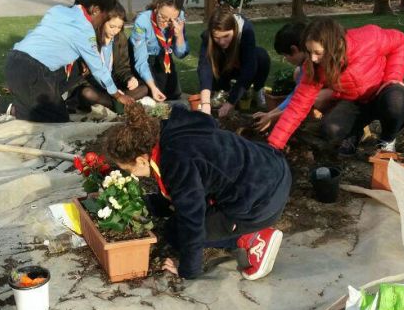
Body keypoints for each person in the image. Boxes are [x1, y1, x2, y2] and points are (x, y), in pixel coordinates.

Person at [104, 105, 290, 280]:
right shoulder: (172, 130)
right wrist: (147, 203)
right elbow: (184, 191)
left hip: (262, 201)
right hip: (272, 165)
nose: (130, 175)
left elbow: (191, 221)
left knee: (176, 233)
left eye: (129, 170)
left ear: (141, 161)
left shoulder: (177, 163)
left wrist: (187, 270)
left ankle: (249, 238)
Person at [0, 0, 135, 124]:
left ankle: (40, 99)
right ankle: (6, 106)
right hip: (32, 70)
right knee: (58, 118)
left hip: (14, 61)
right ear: (95, 10)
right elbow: (98, 69)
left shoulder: (58, 10)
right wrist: (118, 95)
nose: (103, 21)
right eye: (104, 16)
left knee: (78, 69)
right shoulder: (85, 30)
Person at [267, 17, 404, 156]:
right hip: (355, 102)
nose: (313, 58)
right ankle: (355, 133)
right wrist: (273, 146)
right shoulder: (314, 67)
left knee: (396, 100)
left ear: (334, 46)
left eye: (318, 53)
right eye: (309, 52)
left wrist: (393, 77)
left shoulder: (369, 38)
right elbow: (297, 106)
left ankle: (387, 139)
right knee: (332, 129)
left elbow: (400, 41)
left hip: (382, 92)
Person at [252, 20, 336, 132]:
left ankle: (332, 121)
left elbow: (302, 102)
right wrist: (271, 113)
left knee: (317, 99)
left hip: (341, 95)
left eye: (286, 56)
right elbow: (295, 95)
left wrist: (273, 116)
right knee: (297, 74)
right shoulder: (303, 67)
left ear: (294, 49)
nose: (286, 60)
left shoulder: (312, 65)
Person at [70, 2, 148, 111]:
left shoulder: (120, 38)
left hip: (113, 85)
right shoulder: (90, 39)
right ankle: (118, 105)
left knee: (143, 88)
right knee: (87, 93)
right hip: (93, 85)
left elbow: (122, 68)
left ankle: (115, 103)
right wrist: (114, 93)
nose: (115, 31)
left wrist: (129, 79)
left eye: (119, 27)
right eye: (112, 26)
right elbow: (89, 74)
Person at [197, 5, 271, 117]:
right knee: (211, 62)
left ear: (234, 29)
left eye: (226, 36)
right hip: (223, 67)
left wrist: (230, 103)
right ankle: (222, 90)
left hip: (241, 64)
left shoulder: (246, 30)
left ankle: (257, 89)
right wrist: (205, 103)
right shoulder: (208, 37)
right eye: (217, 38)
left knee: (261, 56)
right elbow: (204, 68)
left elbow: (249, 68)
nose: (221, 42)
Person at [129, 0, 188, 102]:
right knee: (152, 92)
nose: (165, 23)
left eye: (171, 20)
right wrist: (153, 87)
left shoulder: (180, 18)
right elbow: (140, 60)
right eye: (163, 17)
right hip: (145, 57)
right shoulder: (142, 22)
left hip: (164, 56)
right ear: (157, 6)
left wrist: (179, 35)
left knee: (173, 93)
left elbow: (180, 54)